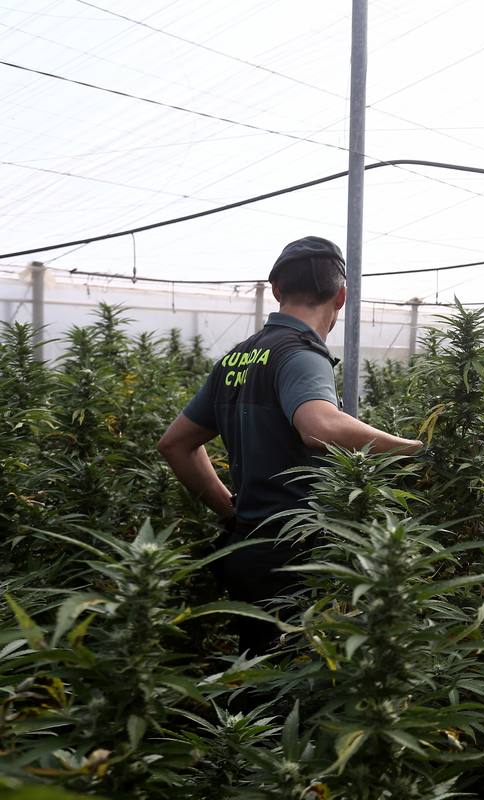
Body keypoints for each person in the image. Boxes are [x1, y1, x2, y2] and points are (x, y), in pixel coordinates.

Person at [156, 236, 422, 655]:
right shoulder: (300, 355)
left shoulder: (236, 358)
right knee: (294, 682)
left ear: (276, 290)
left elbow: (175, 444)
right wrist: (409, 448)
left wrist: (231, 509)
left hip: (246, 549)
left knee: (255, 672)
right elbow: (319, 426)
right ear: (342, 295)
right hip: (297, 556)